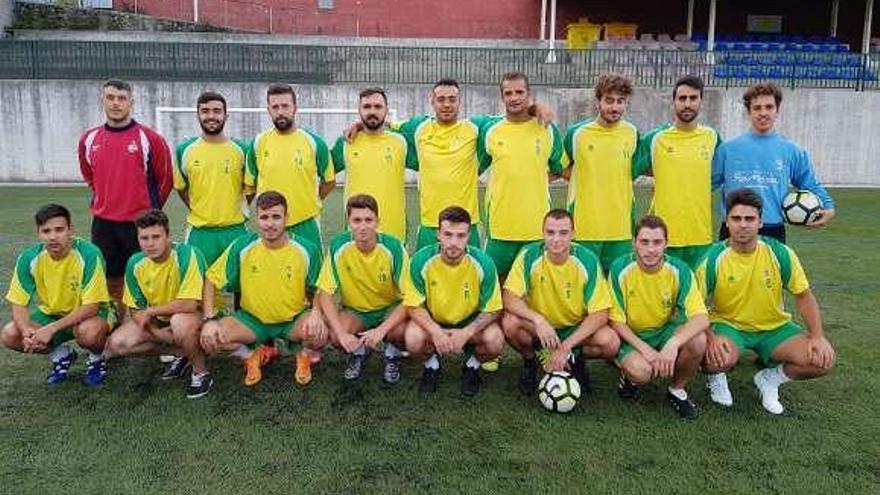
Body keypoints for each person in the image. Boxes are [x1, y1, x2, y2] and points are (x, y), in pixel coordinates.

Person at [698, 188, 835, 415]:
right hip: (729, 326)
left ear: (760, 222)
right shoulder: (713, 257)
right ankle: (717, 377)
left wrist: (817, 336)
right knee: (713, 357)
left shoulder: (780, 253)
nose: (743, 225)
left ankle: (770, 379)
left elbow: (804, 296)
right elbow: (695, 306)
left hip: (774, 328)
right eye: (737, 218)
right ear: (727, 222)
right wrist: (710, 338)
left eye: (750, 219)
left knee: (822, 360)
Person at [200, 191, 328, 387]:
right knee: (212, 339)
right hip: (252, 321)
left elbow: (321, 287)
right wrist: (209, 319)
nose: (270, 224)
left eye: (276, 217)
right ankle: (251, 354)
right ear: (257, 219)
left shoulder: (306, 249)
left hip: (292, 320)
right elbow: (210, 278)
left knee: (320, 333)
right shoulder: (243, 246)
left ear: (287, 218)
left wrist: (316, 313)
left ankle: (304, 354)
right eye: (264, 217)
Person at [78, 79, 173, 313]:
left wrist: (149, 212)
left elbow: (166, 179)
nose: (116, 103)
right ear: (103, 101)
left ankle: (150, 327)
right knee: (111, 279)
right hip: (104, 224)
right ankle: (118, 324)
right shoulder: (89, 139)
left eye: (121, 99)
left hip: (139, 224)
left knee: (147, 277)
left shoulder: (150, 138)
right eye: (110, 98)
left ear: (131, 102)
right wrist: (106, 198)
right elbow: (90, 175)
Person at [501, 209, 619, 395]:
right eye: (550, 232)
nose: (556, 239)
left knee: (610, 341)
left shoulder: (587, 260)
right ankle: (531, 361)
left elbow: (601, 312)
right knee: (509, 323)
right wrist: (538, 320)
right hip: (540, 327)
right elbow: (508, 296)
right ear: (543, 233)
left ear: (573, 234)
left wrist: (566, 346)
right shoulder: (529, 255)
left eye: (563, 233)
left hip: (574, 328)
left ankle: (575, 360)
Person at [102, 210, 211, 398]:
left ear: (168, 236)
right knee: (117, 344)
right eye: (144, 238)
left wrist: (151, 311)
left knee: (180, 323)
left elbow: (189, 304)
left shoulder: (187, 254)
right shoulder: (135, 263)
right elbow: (136, 309)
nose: (150, 243)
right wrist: (155, 332)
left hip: (197, 318)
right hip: (160, 322)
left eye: (156, 237)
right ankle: (182, 352)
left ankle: (201, 373)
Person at [609, 215, 709, 419]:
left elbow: (701, 317)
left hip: (663, 331)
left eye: (657, 242)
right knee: (641, 371)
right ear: (634, 243)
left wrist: (673, 343)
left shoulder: (679, 270)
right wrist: (646, 350)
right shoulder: (620, 268)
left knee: (698, 340)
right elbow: (616, 321)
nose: (651, 249)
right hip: (631, 336)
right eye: (644, 242)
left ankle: (677, 390)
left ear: (666, 244)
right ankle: (630, 378)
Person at [2, 204, 113, 386]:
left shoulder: (89, 254)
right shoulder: (29, 258)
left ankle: (96, 358)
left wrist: (51, 329)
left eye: (59, 229)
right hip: (51, 314)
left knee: (89, 333)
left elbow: (92, 307)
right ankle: (62, 355)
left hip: (89, 315)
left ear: (70, 230)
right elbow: (18, 303)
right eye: (46, 231)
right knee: (10, 334)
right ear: (38, 233)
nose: (53, 236)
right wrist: (26, 331)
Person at [712, 82, 835, 243]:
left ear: (777, 111)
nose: (763, 113)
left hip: (773, 230)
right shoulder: (727, 149)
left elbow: (809, 183)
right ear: (748, 112)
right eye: (757, 108)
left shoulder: (792, 151)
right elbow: (706, 183)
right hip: (734, 227)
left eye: (769, 107)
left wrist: (828, 206)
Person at [403, 206, 505, 397]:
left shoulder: (483, 263)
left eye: (460, 236)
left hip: (469, 323)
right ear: (438, 234)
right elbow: (413, 305)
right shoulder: (421, 260)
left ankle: (471, 366)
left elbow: (493, 309)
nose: (453, 242)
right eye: (448, 235)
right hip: (434, 322)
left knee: (495, 341)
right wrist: (435, 332)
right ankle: (432, 366)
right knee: (413, 339)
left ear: (468, 236)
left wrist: (466, 332)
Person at [477, 72, 566, 280]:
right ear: (502, 97)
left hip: (536, 229)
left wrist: (538, 179)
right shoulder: (490, 131)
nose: (514, 97)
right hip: (500, 228)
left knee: (533, 288)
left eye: (519, 92)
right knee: (495, 287)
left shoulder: (547, 130)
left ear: (529, 94)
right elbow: (475, 167)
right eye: (508, 93)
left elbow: (562, 167)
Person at [317, 194, 409, 383]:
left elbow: (411, 298)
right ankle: (359, 353)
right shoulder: (339, 246)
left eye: (368, 220)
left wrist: (381, 330)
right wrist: (343, 335)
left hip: (388, 309)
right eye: (356, 220)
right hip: (355, 311)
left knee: (402, 332)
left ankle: (392, 355)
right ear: (348, 222)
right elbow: (325, 292)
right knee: (335, 335)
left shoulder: (393, 247)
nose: (363, 226)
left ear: (378, 222)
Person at [635, 75, 722, 268]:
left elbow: (717, 176)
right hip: (662, 235)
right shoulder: (655, 139)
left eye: (693, 98)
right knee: (663, 295)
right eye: (682, 99)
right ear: (673, 102)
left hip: (700, 234)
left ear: (701, 101)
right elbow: (628, 171)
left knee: (698, 295)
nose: (687, 104)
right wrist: (662, 173)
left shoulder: (712, 137)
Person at [563, 73, 639, 272]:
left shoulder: (632, 133)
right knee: (584, 288)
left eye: (620, 101)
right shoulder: (576, 134)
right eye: (609, 100)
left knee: (617, 288)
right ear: (598, 101)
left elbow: (637, 168)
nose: (614, 107)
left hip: (620, 229)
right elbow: (561, 167)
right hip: (584, 228)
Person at [246, 83, 335, 249]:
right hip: (271, 226)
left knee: (311, 273)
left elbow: (329, 181)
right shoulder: (258, 144)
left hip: (306, 224)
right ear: (269, 110)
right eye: (275, 107)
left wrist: (313, 200)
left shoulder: (315, 143)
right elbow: (250, 185)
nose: (280, 112)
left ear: (295, 108)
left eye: (285, 106)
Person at [332, 87, 408, 241]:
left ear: (386, 110)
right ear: (359, 110)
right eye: (367, 107)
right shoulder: (346, 142)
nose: (372, 111)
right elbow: (323, 170)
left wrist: (360, 124)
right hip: (356, 231)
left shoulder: (401, 142)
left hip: (394, 230)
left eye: (378, 107)